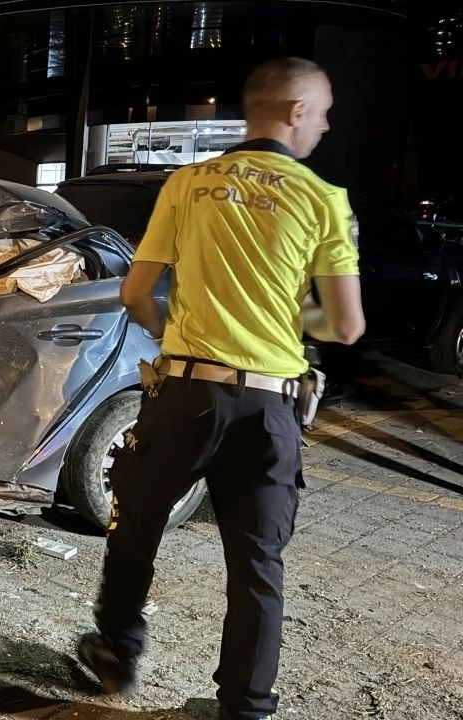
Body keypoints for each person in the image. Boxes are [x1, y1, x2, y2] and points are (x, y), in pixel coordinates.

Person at [77, 57, 365, 720]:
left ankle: (116, 651)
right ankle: (245, 707)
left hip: (183, 391)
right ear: (296, 112)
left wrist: (177, 332)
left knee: (136, 526)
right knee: (257, 565)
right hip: (269, 406)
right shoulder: (323, 199)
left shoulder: (188, 183)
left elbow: (133, 292)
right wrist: (291, 319)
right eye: (321, 114)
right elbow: (346, 325)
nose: (322, 128)